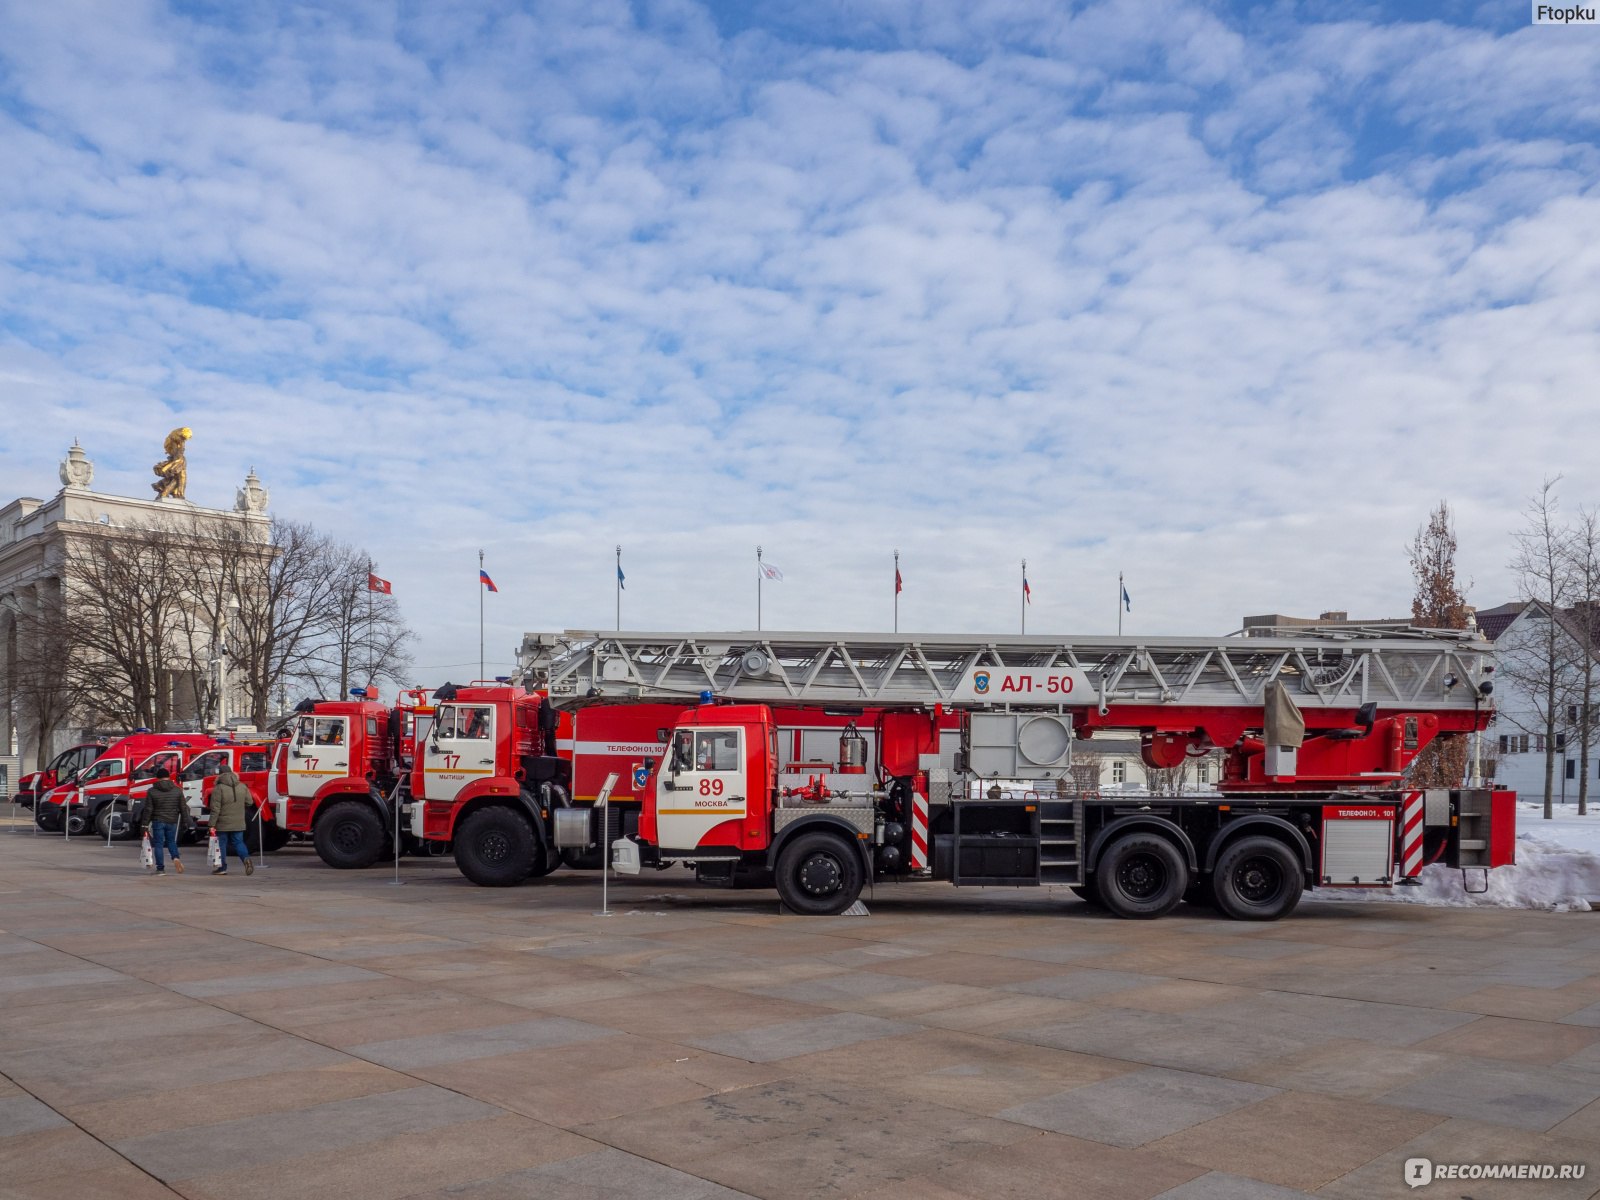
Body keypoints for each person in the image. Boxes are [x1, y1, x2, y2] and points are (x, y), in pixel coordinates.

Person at [208, 768, 255, 876]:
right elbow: (250, 802)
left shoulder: (218, 788)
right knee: (238, 842)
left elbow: (215, 808)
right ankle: (246, 859)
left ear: (219, 775)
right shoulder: (242, 786)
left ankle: (222, 868)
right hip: (239, 821)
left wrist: (211, 824)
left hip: (222, 822)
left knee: (222, 844)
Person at [144, 768, 186, 876]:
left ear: (157, 778)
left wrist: (144, 824)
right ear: (169, 777)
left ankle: (160, 868)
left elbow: (148, 809)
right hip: (172, 820)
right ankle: (175, 857)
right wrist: (186, 821)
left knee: (158, 844)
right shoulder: (177, 790)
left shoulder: (152, 791)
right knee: (171, 841)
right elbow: (183, 807)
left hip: (158, 820)